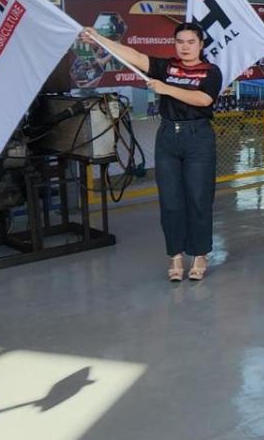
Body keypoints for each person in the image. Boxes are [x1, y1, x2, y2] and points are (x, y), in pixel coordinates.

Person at [81, 22, 221, 282]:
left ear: (201, 45)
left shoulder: (210, 72)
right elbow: (133, 56)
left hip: (198, 138)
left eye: (191, 42)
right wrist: (100, 39)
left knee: (199, 198)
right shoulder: (166, 67)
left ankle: (200, 253)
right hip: (168, 137)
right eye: (180, 41)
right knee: (170, 201)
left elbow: (204, 100)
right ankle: (175, 255)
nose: (185, 46)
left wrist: (166, 89)